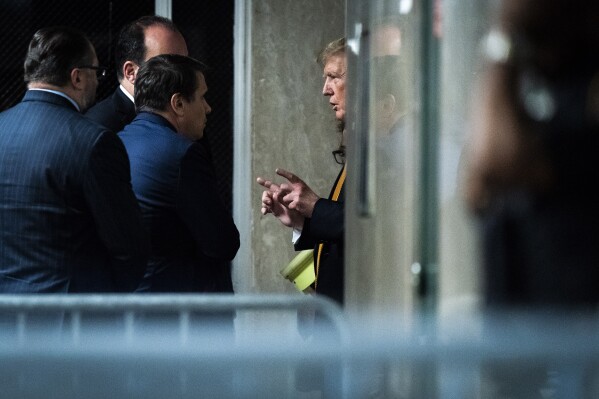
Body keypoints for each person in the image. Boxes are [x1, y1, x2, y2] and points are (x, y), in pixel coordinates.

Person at [463, 0, 599, 308]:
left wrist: (502, 44)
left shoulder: (585, 88)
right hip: (522, 328)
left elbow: (495, 160)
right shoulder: (536, 87)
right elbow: (476, 188)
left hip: (574, 333)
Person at [0, 26, 148, 293]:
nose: (99, 80)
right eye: (96, 72)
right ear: (77, 77)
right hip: (70, 321)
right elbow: (129, 247)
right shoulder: (94, 142)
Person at [118, 54, 240, 292]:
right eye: (202, 97)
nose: (208, 108)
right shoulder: (183, 154)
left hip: (127, 307)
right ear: (179, 104)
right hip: (177, 315)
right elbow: (223, 243)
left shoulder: (115, 142)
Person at [257, 38, 347, 305]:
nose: (325, 90)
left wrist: (316, 207)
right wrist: (300, 220)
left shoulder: (385, 149)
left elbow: (369, 228)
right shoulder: (362, 143)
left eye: (333, 77)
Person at [85, 15, 188, 133]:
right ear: (131, 72)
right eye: (168, 64)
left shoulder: (189, 116)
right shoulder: (98, 126)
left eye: (186, 64)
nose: (184, 74)